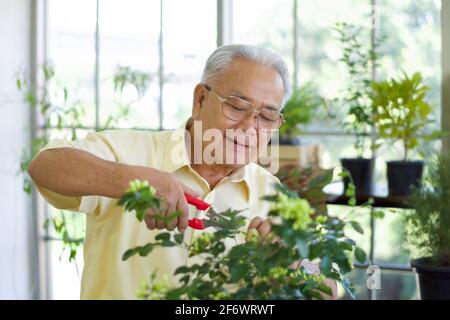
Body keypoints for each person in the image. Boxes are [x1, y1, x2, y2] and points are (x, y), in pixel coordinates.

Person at [28, 44, 337, 299]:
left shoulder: (274, 196)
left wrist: (295, 262)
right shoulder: (131, 151)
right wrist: (135, 181)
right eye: (237, 107)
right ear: (200, 99)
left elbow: (327, 292)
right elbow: (45, 165)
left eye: (267, 116)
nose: (249, 128)